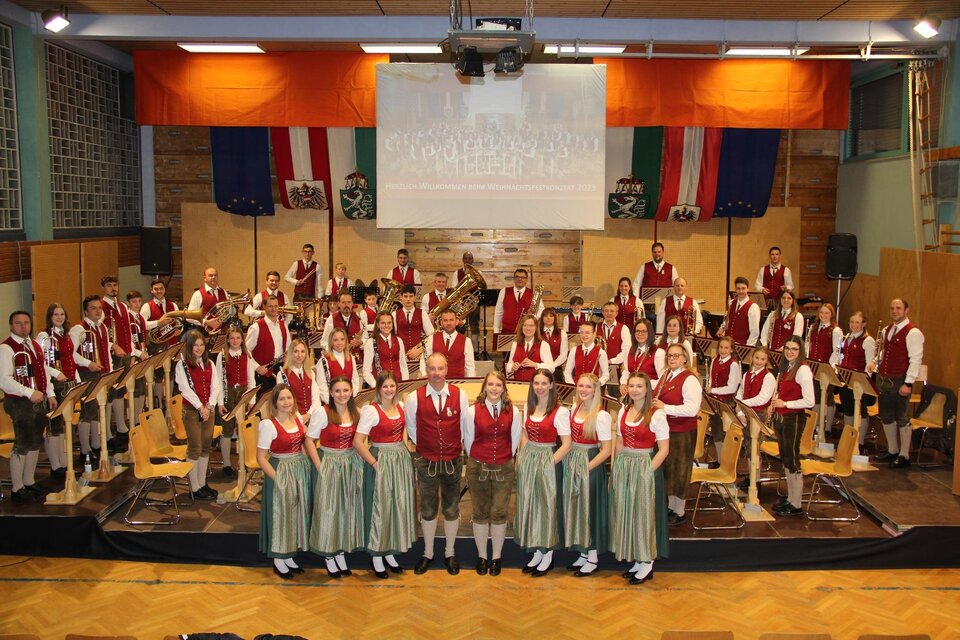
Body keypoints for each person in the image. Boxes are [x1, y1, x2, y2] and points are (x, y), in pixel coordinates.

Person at [404, 353, 469, 575]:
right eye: (432, 368)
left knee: (452, 508)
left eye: (440, 368)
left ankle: (450, 552)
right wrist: (427, 447)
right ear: (426, 371)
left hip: (452, 459)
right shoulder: (414, 397)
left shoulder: (459, 395)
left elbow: (463, 427)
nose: (436, 373)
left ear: (447, 369)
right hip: (426, 460)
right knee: (429, 508)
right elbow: (412, 429)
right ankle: (428, 553)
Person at [354, 371, 416, 579]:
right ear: (378, 389)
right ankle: (377, 556)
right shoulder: (371, 411)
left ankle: (390, 552)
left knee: (396, 507)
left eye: (392, 386)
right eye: (385, 387)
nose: (389, 390)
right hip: (381, 460)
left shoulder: (400, 407)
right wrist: (373, 463)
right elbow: (357, 441)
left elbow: (405, 435)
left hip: (399, 460)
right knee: (380, 508)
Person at [611, 371, 670, 585]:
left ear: (647, 389)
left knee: (645, 514)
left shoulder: (656, 414)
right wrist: (617, 466)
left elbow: (664, 449)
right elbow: (619, 441)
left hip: (646, 465)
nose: (635, 390)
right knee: (630, 512)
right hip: (626, 464)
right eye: (632, 386)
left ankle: (647, 562)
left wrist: (647, 472)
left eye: (639, 386)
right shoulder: (624, 410)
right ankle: (637, 559)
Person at [462, 370, 522, 576]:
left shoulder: (514, 411)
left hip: (504, 467)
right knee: (479, 512)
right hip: (478, 466)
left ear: (504, 388)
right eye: (490, 385)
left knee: (499, 512)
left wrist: (502, 458)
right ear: (484, 387)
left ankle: (496, 556)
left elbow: (514, 442)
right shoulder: (472, 411)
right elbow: (468, 442)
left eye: (498, 385)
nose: (494, 389)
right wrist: (480, 459)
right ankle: (482, 556)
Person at [257, 384, 320, 579]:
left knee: (297, 514)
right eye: (282, 399)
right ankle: (279, 559)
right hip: (281, 470)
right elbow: (260, 457)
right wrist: (279, 480)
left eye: (289, 398)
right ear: (275, 402)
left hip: (299, 469)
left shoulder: (298, 419)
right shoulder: (269, 424)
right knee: (282, 514)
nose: (286, 402)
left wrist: (308, 467)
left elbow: (302, 446)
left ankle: (290, 555)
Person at [515, 368, 571, 577]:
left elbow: (566, 444)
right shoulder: (529, 408)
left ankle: (547, 553)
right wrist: (522, 456)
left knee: (547, 506)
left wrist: (549, 464)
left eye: (543, 383)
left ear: (551, 385)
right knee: (531, 504)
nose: (539, 387)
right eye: (536, 383)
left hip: (548, 460)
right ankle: (537, 550)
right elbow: (524, 434)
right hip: (530, 459)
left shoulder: (560, 411)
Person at [307, 376, 364, 577]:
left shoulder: (356, 412)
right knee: (329, 509)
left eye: (345, 390)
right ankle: (328, 554)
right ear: (331, 393)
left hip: (349, 463)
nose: (342, 394)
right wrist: (319, 465)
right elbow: (309, 440)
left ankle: (340, 551)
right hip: (330, 462)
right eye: (338, 391)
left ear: (351, 392)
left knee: (346, 508)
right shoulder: (322, 413)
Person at [1, 310, 57, 502]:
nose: (23, 326)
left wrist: (50, 393)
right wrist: (28, 392)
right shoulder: (6, 348)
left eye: (26, 323)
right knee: (23, 445)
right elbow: (4, 380)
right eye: (18, 323)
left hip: (37, 399)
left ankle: (29, 482)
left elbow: (43, 371)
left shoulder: (33, 344)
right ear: (11, 326)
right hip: (19, 402)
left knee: (35, 442)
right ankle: (17, 489)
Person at [563, 373, 612, 577]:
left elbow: (607, 450)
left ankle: (593, 557)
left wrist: (587, 467)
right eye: (581, 386)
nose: (583, 390)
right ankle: (583, 552)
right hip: (573, 460)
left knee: (589, 509)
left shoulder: (601, 415)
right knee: (577, 508)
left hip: (589, 463)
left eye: (588, 387)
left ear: (595, 390)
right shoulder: (575, 408)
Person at [867, 299, 924, 469]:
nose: (894, 311)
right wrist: (875, 362)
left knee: (901, 417)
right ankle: (892, 450)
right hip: (885, 379)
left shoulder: (913, 332)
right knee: (886, 416)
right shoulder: (888, 329)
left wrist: (908, 383)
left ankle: (904, 455)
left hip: (900, 379)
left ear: (906, 310)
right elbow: (885, 351)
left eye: (898, 308)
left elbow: (915, 360)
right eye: (892, 308)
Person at [652, 343, 703, 526]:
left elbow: (692, 409)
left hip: (682, 431)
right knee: (669, 470)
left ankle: (679, 511)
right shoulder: (666, 374)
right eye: (669, 356)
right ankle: (671, 506)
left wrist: (665, 408)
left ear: (684, 358)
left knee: (680, 470)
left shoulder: (689, 379)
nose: (672, 359)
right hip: (667, 429)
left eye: (676, 356)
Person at [174, 329, 223, 501]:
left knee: (205, 447)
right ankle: (193, 487)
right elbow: (185, 389)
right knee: (194, 448)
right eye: (196, 346)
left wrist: (209, 405)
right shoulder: (182, 365)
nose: (199, 348)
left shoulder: (208, 362)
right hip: (192, 411)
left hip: (207, 410)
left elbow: (215, 386)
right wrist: (200, 407)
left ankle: (202, 483)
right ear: (189, 347)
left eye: (202, 345)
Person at [771, 336, 815, 516]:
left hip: (794, 418)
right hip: (782, 418)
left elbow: (810, 401)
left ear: (801, 351)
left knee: (793, 459)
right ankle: (790, 498)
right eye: (787, 348)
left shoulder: (803, 370)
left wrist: (786, 404)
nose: (790, 352)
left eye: (794, 349)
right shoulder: (786, 367)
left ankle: (796, 503)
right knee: (786, 458)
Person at [37, 304, 76, 482]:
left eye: (62, 314)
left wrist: (76, 379)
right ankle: (55, 466)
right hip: (54, 384)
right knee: (54, 426)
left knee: (61, 425)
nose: (59, 317)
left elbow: (70, 359)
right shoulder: (44, 336)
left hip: (68, 383)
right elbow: (42, 363)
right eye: (55, 314)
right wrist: (56, 374)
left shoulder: (65, 335)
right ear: (49, 317)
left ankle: (62, 461)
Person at [69, 295, 111, 463]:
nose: (97, 311)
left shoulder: (102, 327)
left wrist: (110, 372)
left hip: (101, 373)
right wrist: (88, 363)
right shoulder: (79, 329)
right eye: (93, 308)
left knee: (96, 410)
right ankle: (84, 449)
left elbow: (106, 351)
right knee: (88, 411)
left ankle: (95, 444)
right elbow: (71, 353)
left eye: (99, 308)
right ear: (86, 311)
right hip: (87, 373)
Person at [215, 327, 257, 478]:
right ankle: (227, 463)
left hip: (244, 394)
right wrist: (220, 402)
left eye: (238, 338)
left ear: (242, 339)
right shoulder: (222, 355)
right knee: (227, 430)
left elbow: (251, 378)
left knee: (244, 429)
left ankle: (244, 461)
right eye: (232, 338)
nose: (235, 341)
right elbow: (219, 380)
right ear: (227, 340)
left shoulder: (248, 354)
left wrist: (252, 399)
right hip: (229, 394)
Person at [100, 275, 134, 440]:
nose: (113, 288)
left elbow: (128, 331)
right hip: (112, 356)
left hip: (126, 354)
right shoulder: (100, 307)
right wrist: (112, 345)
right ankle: (106, 432)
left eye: (115, 285)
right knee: (110, 394)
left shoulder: (122, 306)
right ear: (103, 288)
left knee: (121, 391)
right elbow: (100, 334)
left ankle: (121, 427)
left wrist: (131, 353)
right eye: (109, 286)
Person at [836, 312, 877, 445]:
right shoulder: (847, 337)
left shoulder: (867, 340)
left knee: (860, 411)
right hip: (846, 380)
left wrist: (863, 383)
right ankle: (848, 440)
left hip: (860, 383)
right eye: (852, 322)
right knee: (847, 408)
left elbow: (869, 364)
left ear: (863, 324)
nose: (854, 325)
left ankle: (859, 442)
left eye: (857, 322)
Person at [736, 346, 777, 474]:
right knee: (748, 447)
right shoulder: (747, 374)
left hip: (759, 415)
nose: (759, 361)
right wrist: (740, 411)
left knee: (755, 447)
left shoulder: (768, 377)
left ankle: (756, 480)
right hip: (746, 414)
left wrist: (742, 404)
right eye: (757, 358)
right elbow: (740, 393)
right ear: (752, 358)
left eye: (762, 359)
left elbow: (763, 399)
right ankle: (751, 476)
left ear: (767, 361)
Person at [806, 302, 842, 433]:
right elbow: (808, 346)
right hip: (813, 366)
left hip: (827, 368)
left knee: (828, 396)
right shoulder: (814, 327)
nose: (823, 315)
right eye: (821, 312)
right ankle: (816, 425)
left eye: (826, 313)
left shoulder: (836, 331)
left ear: (831, 314)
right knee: (815, 395)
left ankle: (827, 427)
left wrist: (829, 368)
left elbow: (836, 351)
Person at [706, 336, 742, 463]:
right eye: (721, 347)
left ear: (731, 350)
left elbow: (732, 388)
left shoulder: (733, 365)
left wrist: (713, 390)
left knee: (726, 432)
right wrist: (710, 391)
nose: (723, 350)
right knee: (716, 431)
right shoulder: (715, 360)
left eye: (726, 348)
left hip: (726, 403)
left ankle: (727, 462)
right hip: (714, 402)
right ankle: (720, 459)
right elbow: (711, 379)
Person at [245, 295, 289, 390]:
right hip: (263, 372)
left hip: (280, 370)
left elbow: (288, 348)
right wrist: (257, 367)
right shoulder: (256, 327)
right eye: (270, 306)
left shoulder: (283, 325)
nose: (274, 309)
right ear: (264, 307)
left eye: (276, 306)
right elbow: (245, 351)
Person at [276, 338, 321, 427]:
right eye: (296, 351)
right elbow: (283, 402)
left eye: (303, 351)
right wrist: (300, 418)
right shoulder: (282, 375)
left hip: (311, 418)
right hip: (291, 419)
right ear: (290, 354)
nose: (299, 355)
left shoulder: (310, 373)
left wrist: (308, 415)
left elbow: (316, 399)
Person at [422, 309, 475, 378]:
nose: (448, 323)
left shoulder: (467, 341)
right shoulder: (431, 338)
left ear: (457, 321)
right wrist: (424, 375)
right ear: (441, 322)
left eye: (451, 320)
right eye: (445, 320)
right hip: (436, 383)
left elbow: (470, 367)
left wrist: (470, 384)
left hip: (459, 384)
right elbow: (424, 361)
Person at [362, 312, 409, 388]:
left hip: (398, 384)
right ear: (377, 325)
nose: (386, 326)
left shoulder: (399, 340)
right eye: (383, 323)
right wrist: (376, 386)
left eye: (389, 323)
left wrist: (404, 385)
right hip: (380, 385)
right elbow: (366, 371)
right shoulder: (371, 342)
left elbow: (403, 365)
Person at [316, 327, 361, 403]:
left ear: (346, 341)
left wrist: (352, 399)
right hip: (332, 404)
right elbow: (322, 388)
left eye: (342, 339)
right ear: (331, 342)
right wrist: (334, 404)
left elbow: (355, 381)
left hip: (349, 402)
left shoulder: (351, 358)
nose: (339, 343)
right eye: (335, 340)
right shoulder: (324, 360)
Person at [493, 268, 543, 336]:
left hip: (526, 333)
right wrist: (496, 330)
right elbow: (498, 312)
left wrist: (531, 317)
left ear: (526, 279)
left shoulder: (535, 293)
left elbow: (541, 310)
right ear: (514, 279)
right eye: (517, 277)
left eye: (522, 277)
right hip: (506, 333)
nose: (519, 279)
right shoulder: (504, 291)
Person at [505, 314, 553, 382]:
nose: (528, 328)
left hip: (537, 386)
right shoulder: (515, 344)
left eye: (531, 325)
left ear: (536, 327)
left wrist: (535, 365)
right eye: (525, 325)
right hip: (518, 385)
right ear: (521, 327)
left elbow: (551, 368)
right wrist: (512, 367)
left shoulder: (544, 345)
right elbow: (508, 366)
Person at [619, 319, 660, 397]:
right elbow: (627, 371)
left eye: (644, 331)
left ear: (650, 333)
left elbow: (662, 380)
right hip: (631, 394)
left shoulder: (658, 353)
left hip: (648, 396)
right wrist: (623, 384)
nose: (640, 334)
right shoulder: (629, 350)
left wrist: (642, 385)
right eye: (637, 331)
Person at [394, 284, 433, 361]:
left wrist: (420, 350)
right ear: (400, 297)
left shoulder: (422, 313)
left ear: (415, 297)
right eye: (405, 296)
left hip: (418, 355)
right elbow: (392, 336)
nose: (408, 299)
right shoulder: (394, 314)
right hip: (400, 355)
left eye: (411, 296)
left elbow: (431, 335)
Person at [563, 320, 609, 385]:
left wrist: (597, 384)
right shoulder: (574, 350)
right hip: (576, 388)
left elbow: (605, 375)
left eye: (587, 332)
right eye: (581, 332)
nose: (584, 335)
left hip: (593, 389)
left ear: (594, 334)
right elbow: (567, 372)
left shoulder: (601, 353)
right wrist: (573, 385)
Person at [140, 279, 180, 353]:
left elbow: (179, 322)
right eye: (156, 289)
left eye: (161, 288)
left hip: (173, 344)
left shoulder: (173, 305)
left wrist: (179, 330)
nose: (159, 291)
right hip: (156, 347)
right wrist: (158, 323)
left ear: (165, 289)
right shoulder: (147, 306)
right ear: (151, 290)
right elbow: (142, 324)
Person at [451, 252, 482, 342]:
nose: (468, 260)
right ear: (463, 260)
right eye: (466, 258)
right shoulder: (457, 273)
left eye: (470, 258)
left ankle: (475, 349)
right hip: (461, 303)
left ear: (472, 260)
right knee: (460, 324)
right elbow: (454, 289)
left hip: (474, 302)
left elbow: (480, 288)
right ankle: (459, 345)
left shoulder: (478, 273)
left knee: (474, 325)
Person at [186, 267, 228, 332]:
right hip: (204, 334)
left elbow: (228, 311)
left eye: (215, 275)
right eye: (210, 275)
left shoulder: (224, 292)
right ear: (205, 278)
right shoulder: (198, 294)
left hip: (222, 332)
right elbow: (189, 316)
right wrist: (206, 322)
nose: (213, 277)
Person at [723, 276, 761, 346]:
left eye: (743, 288)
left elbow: (754, 332)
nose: (741, 291)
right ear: (735, 289)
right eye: (738, 288)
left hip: (742, 346)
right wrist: (722, 328)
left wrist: (747, 348)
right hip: (728, 345)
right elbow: (728, 320)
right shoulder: (731, 303)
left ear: (747, 289)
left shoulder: (753, 307)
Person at [597, 301, 631, 370]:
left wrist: (612, 361)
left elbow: (626, 351)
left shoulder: (624, 328)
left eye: (612, 311)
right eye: (606, 311)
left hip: (616, 367)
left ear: (616, 313)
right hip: (598, 366)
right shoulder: (595, 327)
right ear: (602, 313)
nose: (609, 313)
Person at [539, 308, 568, 379]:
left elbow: (563, 355)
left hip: (556, 369)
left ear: (554, 318)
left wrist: (552, 366)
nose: (548, 318)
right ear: (542, 318)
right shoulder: (537, 333)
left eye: (551, 316)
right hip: (539, 369)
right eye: (545, 316)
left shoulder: (562, 333)